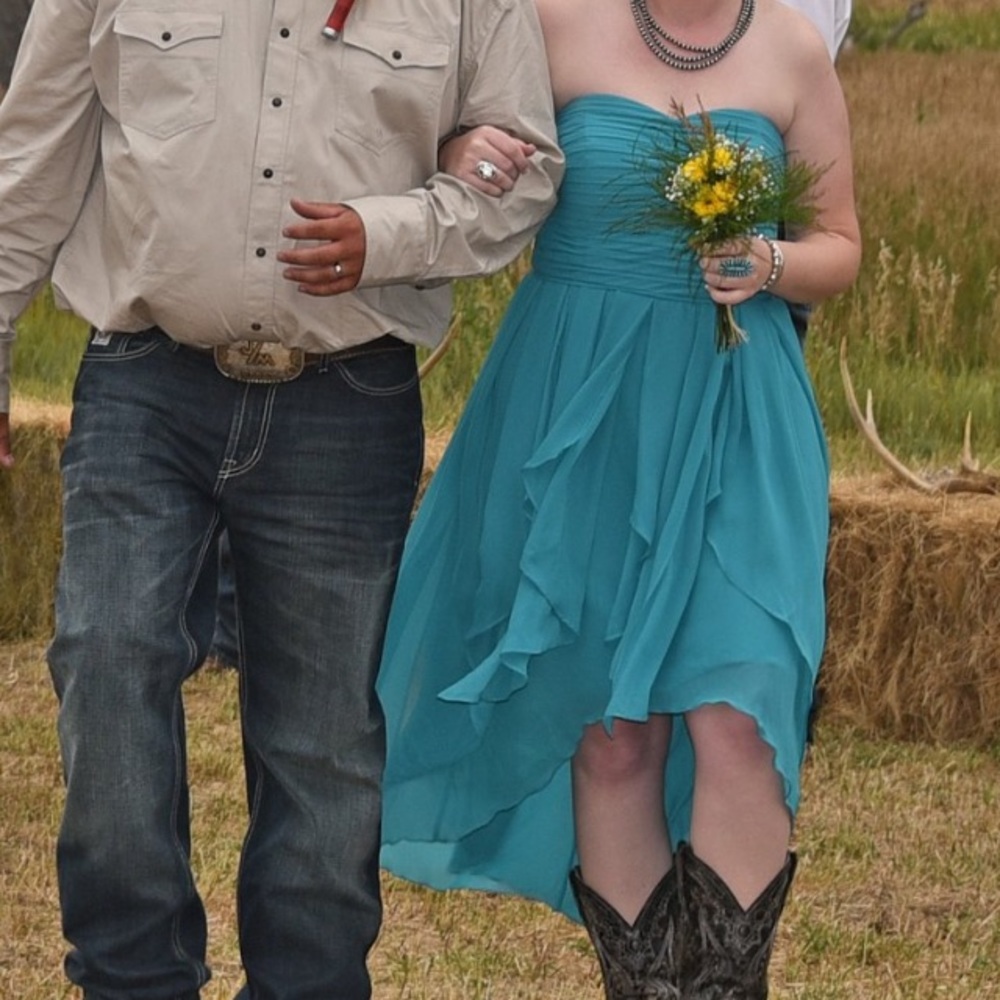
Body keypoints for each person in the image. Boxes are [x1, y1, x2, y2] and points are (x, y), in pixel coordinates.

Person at [0, 0, 562, 995]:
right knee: (106, 657)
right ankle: (133, 978)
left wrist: (391, 233)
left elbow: (524, 166)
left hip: (347, 404)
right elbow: (29, 159)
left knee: (324, 742)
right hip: (143, 384)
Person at [377, 0, 861, 997]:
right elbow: (461, 150)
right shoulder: (547, 24)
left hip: (739, 410)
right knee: (610, 730)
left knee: (739, 713)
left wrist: (766, 262)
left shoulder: (793, 47)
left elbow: (839, 244)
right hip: (580, 411)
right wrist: (470, 146)